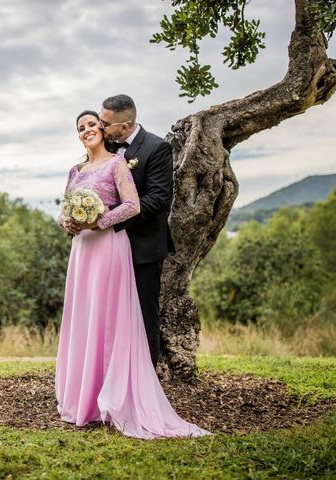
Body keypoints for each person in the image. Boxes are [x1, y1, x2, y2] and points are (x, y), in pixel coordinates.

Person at [55, 110, 211, 439]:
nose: (87, 131)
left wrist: (98, 218)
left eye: (92, 125)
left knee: (110, 319)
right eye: (81, 128)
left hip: (110, 246)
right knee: (84, 319)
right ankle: (84, 397)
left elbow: (134, 205)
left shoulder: (117, 164)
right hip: (82, 251)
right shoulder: (75, 169)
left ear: (104, 129)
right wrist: (68, 221)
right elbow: (64, 208)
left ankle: (116, 397)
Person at [98, 94, 173, 369]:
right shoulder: (104, 146)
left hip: (143, 247)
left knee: (143, 317)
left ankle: (146, 384)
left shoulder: (157, 148)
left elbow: (158, 199)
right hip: (106, 247)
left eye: (105, 123)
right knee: (108, 316)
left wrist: (112, 219)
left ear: (125, 125)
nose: (99, 126)